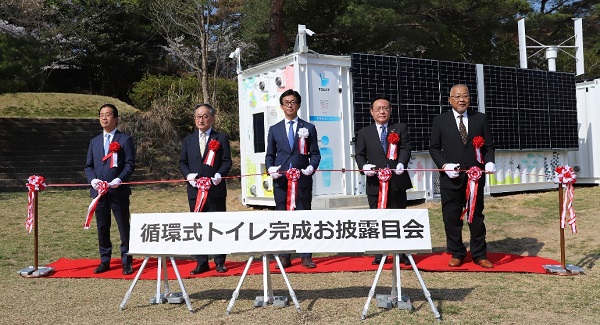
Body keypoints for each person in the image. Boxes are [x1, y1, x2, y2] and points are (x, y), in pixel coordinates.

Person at [429, 84, 496, 268]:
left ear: (469, 99)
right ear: (450, 100)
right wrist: (444, 165)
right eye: (457, 96)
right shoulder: (440, 120)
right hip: (450, 178)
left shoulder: (479, 119)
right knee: (451, 216)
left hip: (474, 177)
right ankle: (457, 252)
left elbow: (488, 146)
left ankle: (479, 254)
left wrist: (489, 161)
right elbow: (434, 148)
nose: (461, 99)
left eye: (465, 96)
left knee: (476, 217)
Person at [265, 89, 321, 269]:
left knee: (304, 216)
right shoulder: (274, 129)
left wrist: (311, 167)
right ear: (281, 106)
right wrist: (270, 168)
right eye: (286, 102)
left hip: (302, 179)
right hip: (281, 181)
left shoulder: (309, 128)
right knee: (282, 217)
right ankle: (284, 256)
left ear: (299, 105)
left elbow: (315, 153)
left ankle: (306, 255)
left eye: (293, 102)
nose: (290, 105)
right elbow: (269, 155)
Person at [354, 95, 413, 265]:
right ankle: (380, 252)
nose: (382, 111)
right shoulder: (364, 132)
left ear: (390, 110)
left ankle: (401, 252)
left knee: (398, 217)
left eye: (385, 108)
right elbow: (359, 154)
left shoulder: (399, 128)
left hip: (397, 181)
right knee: (377, 218)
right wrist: (363, 166)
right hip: (375, 183)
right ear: (371, 112)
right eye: (378, 108)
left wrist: (401, 163)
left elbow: (406, 147)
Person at [180, 103, 232, 274]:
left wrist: (219, 175)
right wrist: (188, 176)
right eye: (197, 116)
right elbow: (182, 162)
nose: (201, 120)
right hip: (195, 191)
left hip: (215, 189)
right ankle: (201, 261)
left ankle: (219, 261)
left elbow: (226, 161)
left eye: (204, 116)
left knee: (218, 225)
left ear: (212, 118)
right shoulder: (188, 140)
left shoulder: (220, 138)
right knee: (198, 226)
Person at [84, 104, 136, 275]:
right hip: (99, 193)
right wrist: (93, 181)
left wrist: (119, 179)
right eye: (101, 115)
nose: (104, 118)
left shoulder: (124, 140)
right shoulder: (94, 141)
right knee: (102, 227)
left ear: (116, 119)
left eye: (108, 115)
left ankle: (127, 261)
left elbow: (129, 164)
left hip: (118, 191)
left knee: (123, 227)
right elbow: (89, 166)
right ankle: (105, 260)